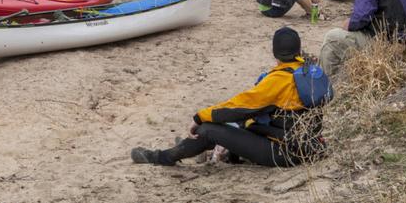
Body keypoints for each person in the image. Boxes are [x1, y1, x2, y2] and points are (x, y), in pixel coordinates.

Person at [131, 27, 328, 167]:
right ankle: (205, 149)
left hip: (284, 153)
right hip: (308, 146)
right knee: (240, 124)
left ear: (274, 52)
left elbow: (237, 107)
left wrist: (200, 116)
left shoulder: (278, 80)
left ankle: (161, 157)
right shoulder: (309, 70)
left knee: (207, 128)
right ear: (299, 50)